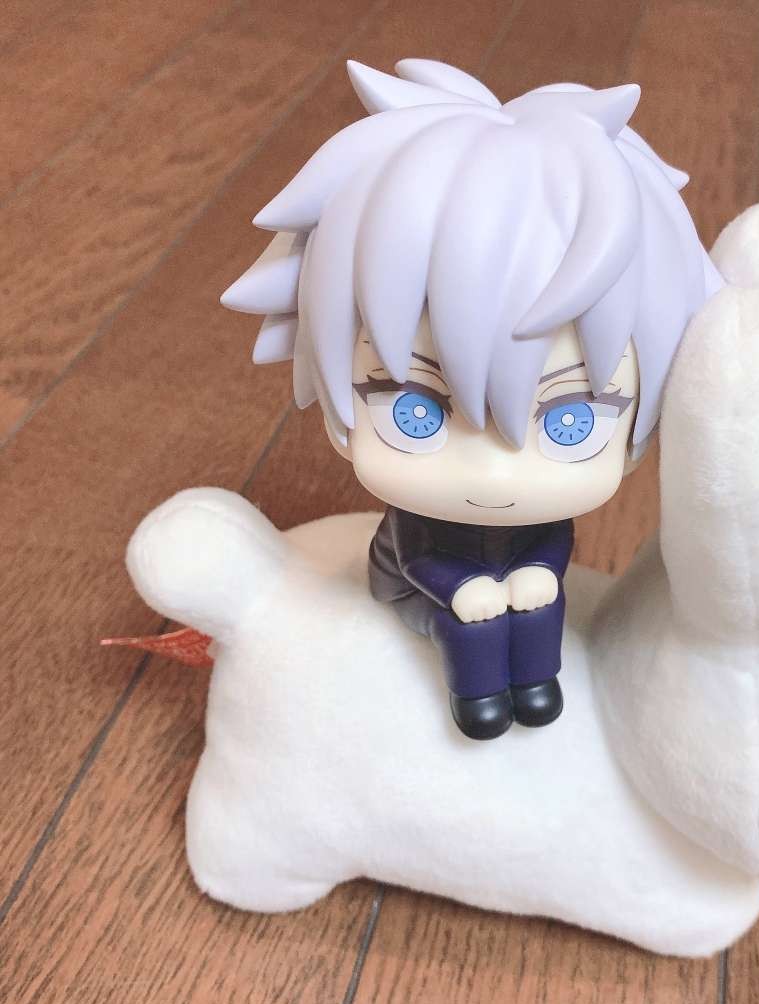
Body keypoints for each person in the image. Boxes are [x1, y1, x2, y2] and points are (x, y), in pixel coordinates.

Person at [222, 58, 722, 738]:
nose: (490, 473)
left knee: (539, 599)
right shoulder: (422, 518)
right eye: (415, 411)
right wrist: (462, 589)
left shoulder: (539, 508)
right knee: (471, 622)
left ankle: (537, 684)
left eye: (571, 421)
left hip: (512, 583)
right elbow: (413, 555)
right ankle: (479, 699)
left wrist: (539, 572)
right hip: (421, 593)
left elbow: (550, 538)